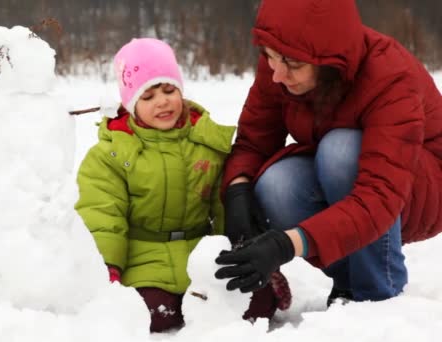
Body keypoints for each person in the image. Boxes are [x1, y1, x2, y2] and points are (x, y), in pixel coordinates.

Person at [215, 0, 442, 307]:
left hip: (415, 187)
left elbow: (379, 194)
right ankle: (349, 282)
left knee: (340, 150)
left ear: (329, 62)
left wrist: (286, 245)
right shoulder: (281, 61)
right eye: (270, 58)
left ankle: (378, 292)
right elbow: (255, 141)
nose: (278, 75)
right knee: (275, 185)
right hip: (346, 174)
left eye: (294, 65)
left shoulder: (390, 77)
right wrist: (237, 190)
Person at [75, 38, 290, 332]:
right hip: (144, 259)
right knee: (153, 313)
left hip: (201, 256)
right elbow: (103, 218)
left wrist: (252, 260)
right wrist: (109, 272)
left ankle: (222, 300)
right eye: (148, 96)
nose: (162, 101)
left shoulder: (206, 142)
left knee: (260, 303)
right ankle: (173, 306)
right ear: (130, 103)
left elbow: (227, 208)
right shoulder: (111, 155)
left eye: (169, 90)